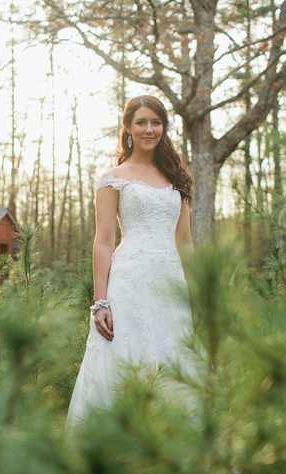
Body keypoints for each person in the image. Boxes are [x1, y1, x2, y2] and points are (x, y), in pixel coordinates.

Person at [65, 95, 203, 434]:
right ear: (127, 127)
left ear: (163, 127)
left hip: (171, 283)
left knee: (175, 361)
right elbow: (104, 240)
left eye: (155, 122)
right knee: (126, 360)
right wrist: (100, 301)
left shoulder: (177, 178)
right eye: (141, 122)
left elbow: (185, 241)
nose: (149, 129)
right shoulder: (113, 178)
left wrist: (196, 292)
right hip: (129, 283)